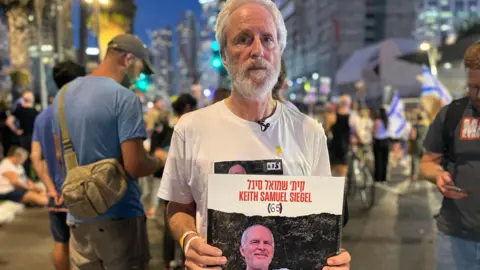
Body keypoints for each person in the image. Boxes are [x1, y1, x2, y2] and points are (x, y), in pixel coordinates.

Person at [157, 1, 351, 269]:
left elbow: (321, 221)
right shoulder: (191, 128)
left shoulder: (310, 132)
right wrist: (189, 241)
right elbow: (177, 205)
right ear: (224, 55)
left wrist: (333, 259)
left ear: (280, 50)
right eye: (243, 39)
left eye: (268, 39)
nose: (257, 50)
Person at [51, 34, 164, 270]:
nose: (140, 75)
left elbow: (60, 156)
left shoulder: (63, 96)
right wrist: (157, 161)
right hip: (120, 216)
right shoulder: (124, 98)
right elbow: (134, 166)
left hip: (79, 217)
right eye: (141, 68)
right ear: (128, 59)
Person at [420, 41, 480, 270]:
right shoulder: (452, 114)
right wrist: (438, 175)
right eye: (473, 87)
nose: (479, 95)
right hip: (455, 239)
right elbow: (427, 162)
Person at [30, 60, 86, 270]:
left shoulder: (42, 116)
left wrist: (51, 188)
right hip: (79, 192)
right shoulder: (79, 113)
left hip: (56, 196)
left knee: (60, 242)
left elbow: (36, 157)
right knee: (85, 247)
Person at [149, 93, 197, 269]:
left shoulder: (168, 126)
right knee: (181, 223)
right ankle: (177, 261)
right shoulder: (183, 127)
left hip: (172, 183)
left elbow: (155, 150)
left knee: (173, 221)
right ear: (187, 108)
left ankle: (171, 261)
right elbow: (155, 151)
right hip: (181, 184)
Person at [6, 90, 39, 177]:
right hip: (34, 137)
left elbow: (9, 121)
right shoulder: (35, 111)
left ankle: (27, 176)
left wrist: (16, 130)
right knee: (35, 156)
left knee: (25, 158)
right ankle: (36, 176)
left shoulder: (19, 110)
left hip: (23, 137)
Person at [372, 108, 389, 182]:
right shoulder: (387, 122)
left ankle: (377, 178)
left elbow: (374, 132)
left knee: (378, 160)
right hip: (386, 141)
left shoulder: (376, 121)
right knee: (385, 160)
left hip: (378, 141)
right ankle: (383, 178)